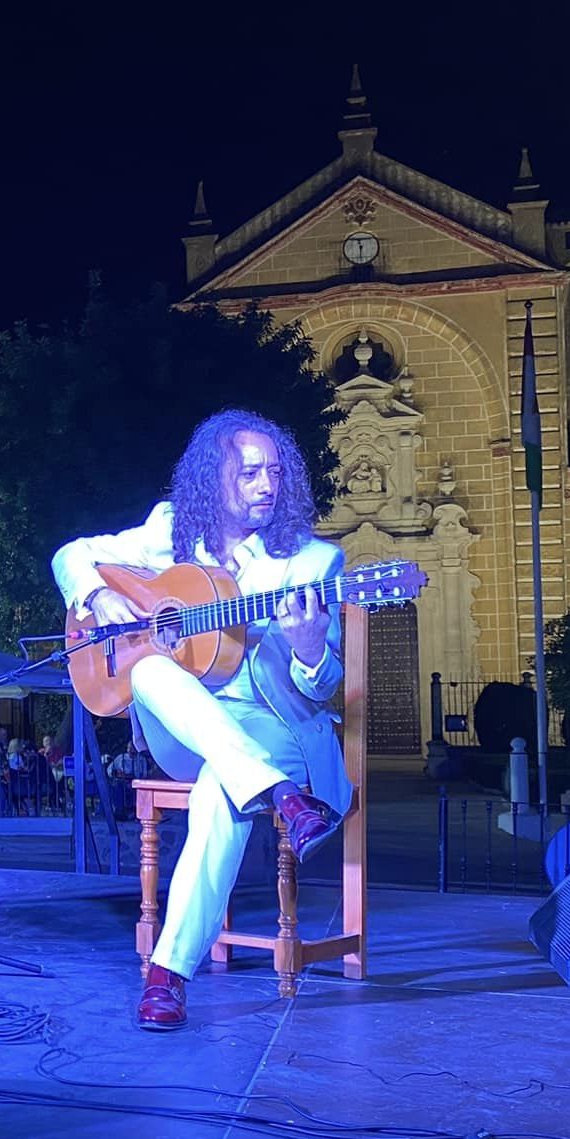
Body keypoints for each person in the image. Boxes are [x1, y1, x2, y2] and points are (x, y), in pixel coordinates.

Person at [52, 409, 349, 1031]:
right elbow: (69, 555)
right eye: (249, 473)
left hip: (275, 729)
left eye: (274, 472)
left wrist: (310, 647)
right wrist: (99, 596)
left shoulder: (312, 563)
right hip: (184, 727)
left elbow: (324, 692)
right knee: (149, 672)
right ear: (213, 480)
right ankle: (283, 799)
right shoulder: (168, 533)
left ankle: (167, 976)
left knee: (223, 789)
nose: (266, 485)